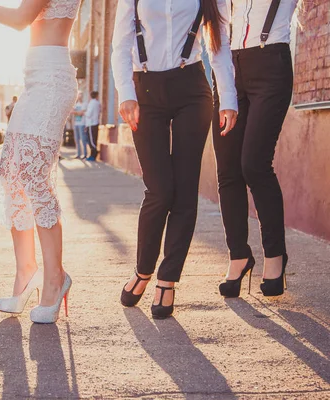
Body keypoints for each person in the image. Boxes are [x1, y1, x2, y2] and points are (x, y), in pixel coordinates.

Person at [112, 0, 238, 319]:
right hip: (145, 92)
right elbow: (121, 43)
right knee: (159, 190)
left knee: (184, 190)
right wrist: (125, 92)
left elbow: (218, 45)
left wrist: (229, 98)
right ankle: (143, 270)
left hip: (192, 90)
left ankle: (167, 280)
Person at [0, 0, 79, 323]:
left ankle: (55, 278)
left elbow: (19, 19)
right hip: (35, 78)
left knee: (33, 175)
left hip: (52, 80)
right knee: (12, 172)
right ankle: (26, 271)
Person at [214, 0, 299, 298]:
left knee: (254, 164)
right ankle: (238, 255)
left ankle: (275, 255)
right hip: (228, 70)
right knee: (227, 169)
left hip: (271, 65)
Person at [84, 91, 101, 161]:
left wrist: (83, 113)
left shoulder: (91, 103)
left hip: (91, 124)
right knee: (93, 139)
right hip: (95, 123)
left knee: (91, 141)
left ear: (91, 96)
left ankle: (93, 155)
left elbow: (88, 114)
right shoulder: (98, 103)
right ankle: (93, 154)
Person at [72, 93, 87, 159]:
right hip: (76, 124)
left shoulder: (84, 104)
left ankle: (85, 154)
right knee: (77, 139)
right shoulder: (75, 104)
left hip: (82, 124)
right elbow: (72, 112)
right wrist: (78, 112)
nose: (80, 96)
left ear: (82, 96)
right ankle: (78, 154)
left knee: (83, 139)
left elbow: (81, 113)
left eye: (81, 95)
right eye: (78, 95)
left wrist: (76, 112)